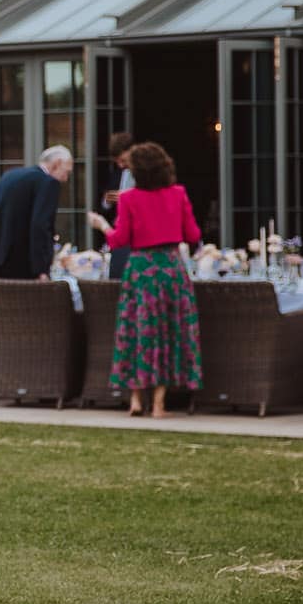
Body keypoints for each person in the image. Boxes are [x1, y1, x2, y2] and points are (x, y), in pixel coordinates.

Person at [0, 145, 74, 398]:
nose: (67, 176)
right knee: (30, 320)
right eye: (67, 170)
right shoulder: (47, 183)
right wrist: (42, 269)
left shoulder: (12, 176)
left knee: (1, 317)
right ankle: (30, 379)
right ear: (54, 165)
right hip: (23, 263)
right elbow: (40, 225)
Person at [104, 142, 202, 417]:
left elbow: (119, 239)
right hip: (170, 267)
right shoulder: (178, 194)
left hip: (140, 268)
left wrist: (102, 227)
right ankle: (159, 404)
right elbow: (193, 234)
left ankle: (136, 399)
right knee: (168, 332)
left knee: (138, 330)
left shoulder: (129, 199)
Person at [91, 131, 137, 279]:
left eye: (123, 159)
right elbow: (103, 206)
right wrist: (107, 201)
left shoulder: (147, 176)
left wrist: (127, 199)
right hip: (118, 237)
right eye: (117, 161)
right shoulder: (117, 174)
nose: (120, 164)